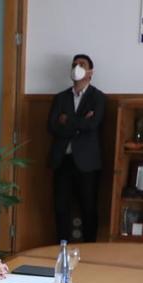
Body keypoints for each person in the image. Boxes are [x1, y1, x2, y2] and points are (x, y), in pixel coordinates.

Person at [47, 54, 106, 243]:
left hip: (87, 163)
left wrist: (68, 121)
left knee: (88, 207)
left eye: (81, 64)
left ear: (90, 72)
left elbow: (92, 125)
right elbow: (53, 126)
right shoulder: (61, 97)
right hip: (63, 160)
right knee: (60, 207)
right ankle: (61, 247)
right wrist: (80, 122)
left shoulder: (97, 97)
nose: (76, 67)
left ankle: (90, 249)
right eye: (74, 64)